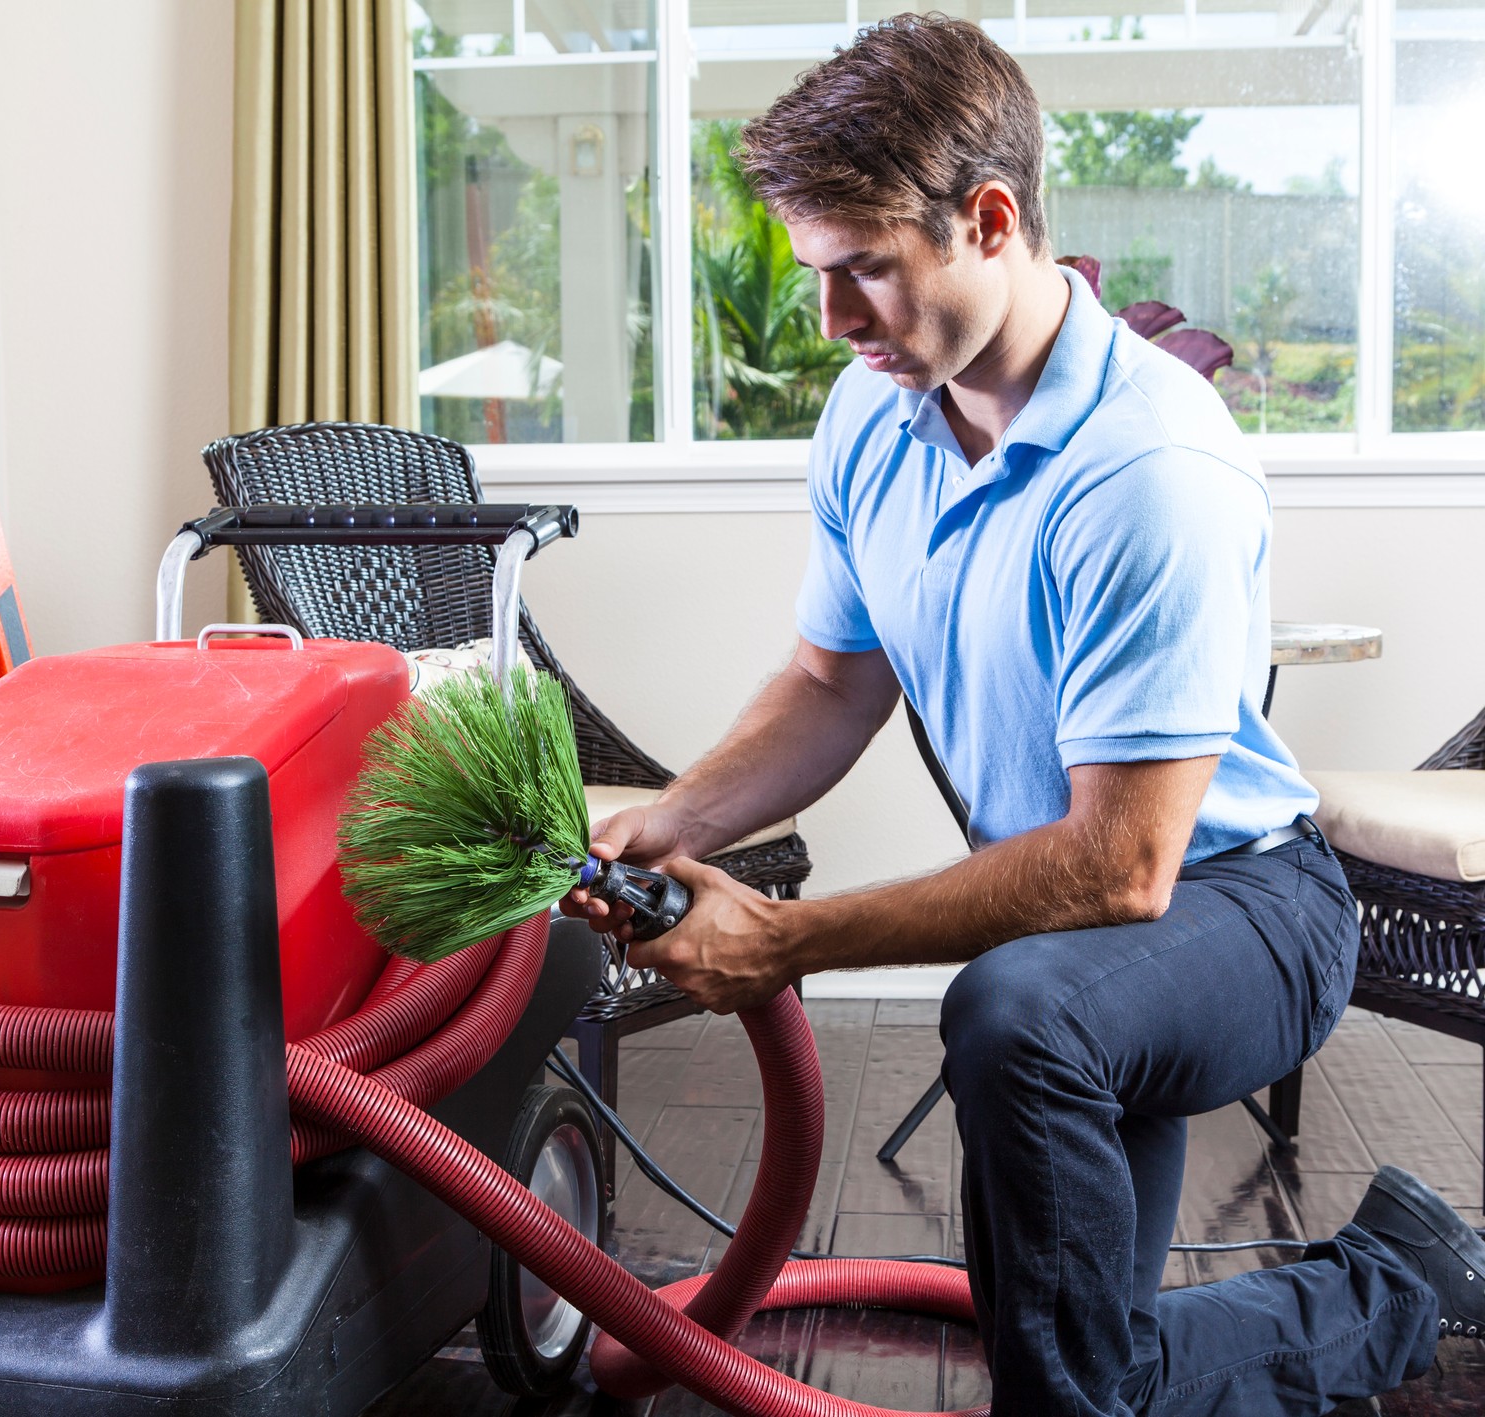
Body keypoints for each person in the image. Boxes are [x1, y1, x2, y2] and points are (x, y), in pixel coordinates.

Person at [563, 14, 1483, 1416]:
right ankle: (1380, 1275)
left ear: (991, 221)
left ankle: (1389, 1282)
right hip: (1080, 934)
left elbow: (1123, 866)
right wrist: (655, 826)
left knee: (1016, 1019)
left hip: (1242, 907)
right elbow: (831, 682)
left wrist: (791, 939)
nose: (832, 320)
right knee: (1072, 1364)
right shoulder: (875, 414)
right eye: (819, 274)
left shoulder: (1152, 466)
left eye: (865, 267)